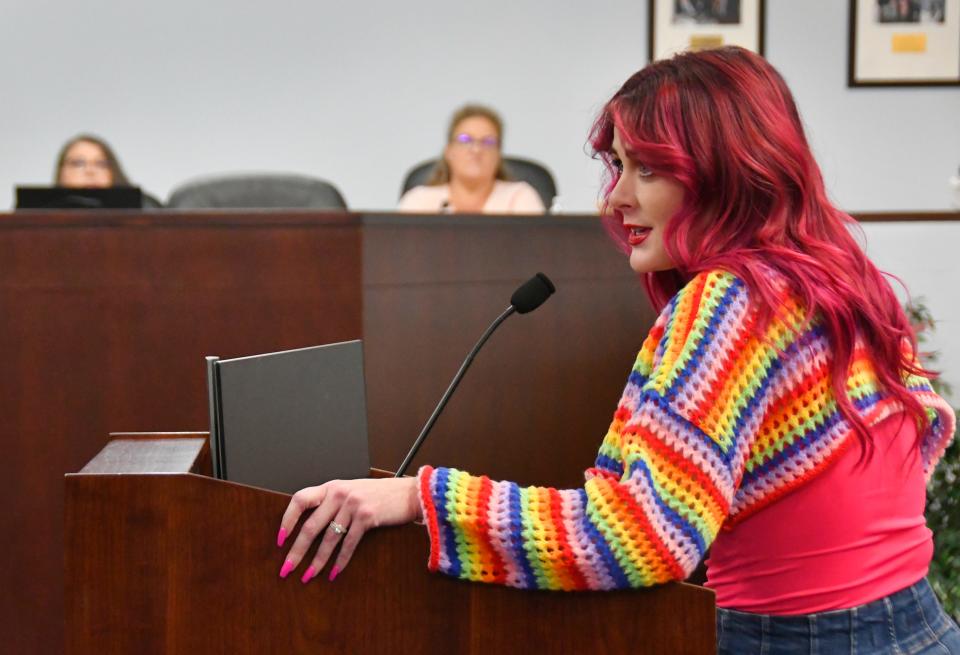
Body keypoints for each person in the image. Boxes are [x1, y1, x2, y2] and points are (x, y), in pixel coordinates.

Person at [277, 47, 959, 653]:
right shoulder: (842, 277)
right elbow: (916, 443)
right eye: (617, 166)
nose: (617, 198)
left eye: (648, 171)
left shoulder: (730, 300)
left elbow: (633, 538)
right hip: (919, 623)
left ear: (725, 171)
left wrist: (416, 497)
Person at [398, 104, 546, 214]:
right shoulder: (419, 201)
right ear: (448, 151)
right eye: (465, 139)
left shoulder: (519, 197)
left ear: (498, 154)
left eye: (488, 142)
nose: (476, 149)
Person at [54, 134, 162, 207]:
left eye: (101, 164)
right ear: (62, 172)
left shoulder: (143, 208)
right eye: (79, 163)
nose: (90, 171)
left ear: (112, 172)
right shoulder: (41, 218)